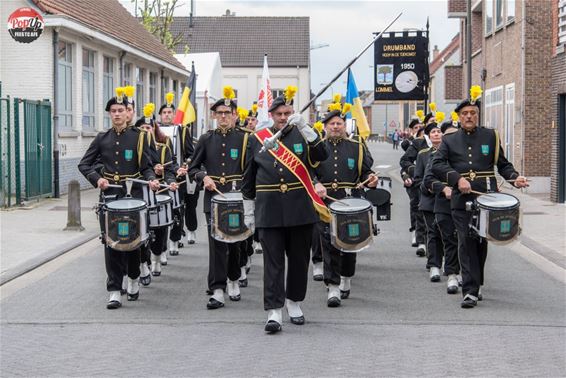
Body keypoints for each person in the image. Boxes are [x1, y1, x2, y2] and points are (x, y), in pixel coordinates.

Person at [241, 85, 329, 333]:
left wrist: (305, 127)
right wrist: (249, 211)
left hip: (300, 209)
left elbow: (322, 154)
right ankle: (274, 311)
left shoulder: (302, 134)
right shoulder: (257, 139)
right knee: (273, 262)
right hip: (269, 210)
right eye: (278, 114)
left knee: (300, 260)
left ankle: (294, 302)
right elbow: (248, 179)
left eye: (287, 113)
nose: (282, 117)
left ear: (292, 113)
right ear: (271, 115)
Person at [431, 86, 528, 308]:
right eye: (465, 113)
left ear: (477, 115)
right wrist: (457, 179)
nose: (469, 116)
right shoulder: (449, 140)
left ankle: (477, 282)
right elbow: (437, 164)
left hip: (487, 197)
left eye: (473, 113)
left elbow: (502, 165)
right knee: (465, 240)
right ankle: (470, 291)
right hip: (460, 199)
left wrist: (515, 178)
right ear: (458, 116)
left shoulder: (491, 136)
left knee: (481, 242)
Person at [78, 88, 160, 309]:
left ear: (128, 113)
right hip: (111, 196)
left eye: (120, 110)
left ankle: (133, 277)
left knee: (133, 241)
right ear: (109, 114)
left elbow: (147, 167)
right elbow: (84, 164)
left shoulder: (140, 137)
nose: (116, 114)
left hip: (133, 196)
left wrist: (151, 180)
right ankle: (114, 288)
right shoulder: (102, 138)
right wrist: (98, 180)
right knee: (111, 242)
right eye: (113, 111)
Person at [188, 86, 250, 309]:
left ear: (235, 115)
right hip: (214, 199)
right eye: (219, 113)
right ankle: (217, 289)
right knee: (216, 244)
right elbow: (192, 168)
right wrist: (203, 177)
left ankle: (234, 279)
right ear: (214, 116)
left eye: (227, 113)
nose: (223, 117)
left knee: (235, 242)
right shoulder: (206, 139)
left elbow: (253, 169)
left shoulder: (245, 139)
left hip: (237, 198)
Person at [313, 98, 378, 307]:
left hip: (350, 201)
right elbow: (308, 172)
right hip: (324, 202)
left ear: (344, 126)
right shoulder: (316, 147)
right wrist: (315, 183)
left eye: (339, 123)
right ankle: (332, 287)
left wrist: (372, 180)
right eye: (331, 124)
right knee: (328, 242)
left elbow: (366, 172)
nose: (335, 126)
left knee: (350, 244)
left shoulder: (357, 146)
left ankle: (346, 278)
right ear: (324, 127)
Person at [414, 120, 445, 282]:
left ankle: (451, 264)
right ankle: (434, 265)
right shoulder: (423, 154)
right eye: (433, 132)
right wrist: (429, 188)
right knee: (432, 232)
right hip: (429, 200)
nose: (436, 135)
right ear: (428, 136)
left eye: (439, 132)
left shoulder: (450, 153)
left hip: (447, 199)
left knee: (447, 233)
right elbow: (418, 179)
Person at [400, 114, 428, 255]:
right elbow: (404, 164)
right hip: (416, 181)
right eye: (416, 128)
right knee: (416, 207)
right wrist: (409, 175)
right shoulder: (412, 144)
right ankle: (417, 234)